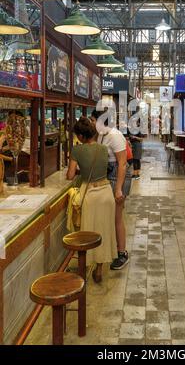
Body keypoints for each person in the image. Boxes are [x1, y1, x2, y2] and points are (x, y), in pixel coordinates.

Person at [67, 117, 117, 283]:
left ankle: (84, 268)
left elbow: (70, 175)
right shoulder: (103, 149)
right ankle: (99, 269)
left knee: (87, 232)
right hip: (106, 193)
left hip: (91, 195)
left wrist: (82, 169)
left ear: (81, 136)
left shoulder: (77, 150)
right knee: (104, 231)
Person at [90, 109, 130, 270]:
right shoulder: (99, 135)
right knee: (109, 216)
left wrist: (119, 189)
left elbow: (122, 164)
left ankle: (122, 253)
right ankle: (112, 249)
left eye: (92, 120)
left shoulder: (115, 136)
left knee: (116, 217)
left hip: (117, 176)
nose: (91, 123)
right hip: (107, 174)